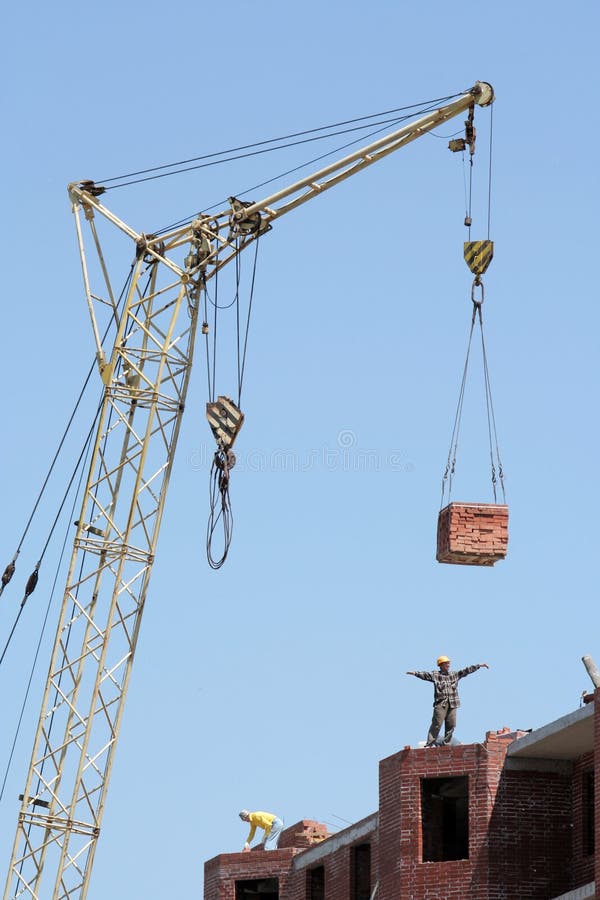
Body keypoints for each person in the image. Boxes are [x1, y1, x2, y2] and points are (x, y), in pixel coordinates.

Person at [406, 656, 489, 747]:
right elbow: (425, 675)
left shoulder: (454, 675)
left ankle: (447, 744)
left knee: (451, 724)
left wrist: (479, 665)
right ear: (441, 665)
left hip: (453, 704)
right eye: (446, 663)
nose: (448, 665)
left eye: (449, 663)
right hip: (441, 704)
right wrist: (415, 673)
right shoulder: (436, 675)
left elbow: (466, 670)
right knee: (437, 724)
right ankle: (430, 744)